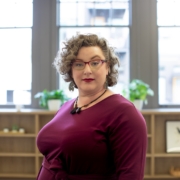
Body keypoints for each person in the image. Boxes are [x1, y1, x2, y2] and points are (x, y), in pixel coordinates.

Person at [36, 33, 147, 180]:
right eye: (79, 64)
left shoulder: (125, 113)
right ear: (71, 70)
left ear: (108, 67)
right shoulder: (67, 106)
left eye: (95, 63)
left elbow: (130, 176)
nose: (87, 70)